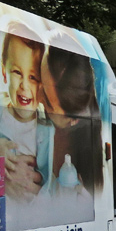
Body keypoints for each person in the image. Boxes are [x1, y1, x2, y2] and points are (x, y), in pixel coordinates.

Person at [0, 22, 54, 201]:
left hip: (33, 215)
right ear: (4, 72)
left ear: (42, 83)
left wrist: (39, 194)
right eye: (17, 72)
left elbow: (53, 182)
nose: (24, 85)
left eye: (33, 77)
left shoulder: (48, 127)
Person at [39, 31, 104, 194]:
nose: (36, 97)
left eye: (47, 100)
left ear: (73, 120)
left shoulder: (87, 185)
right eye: (37, 78)